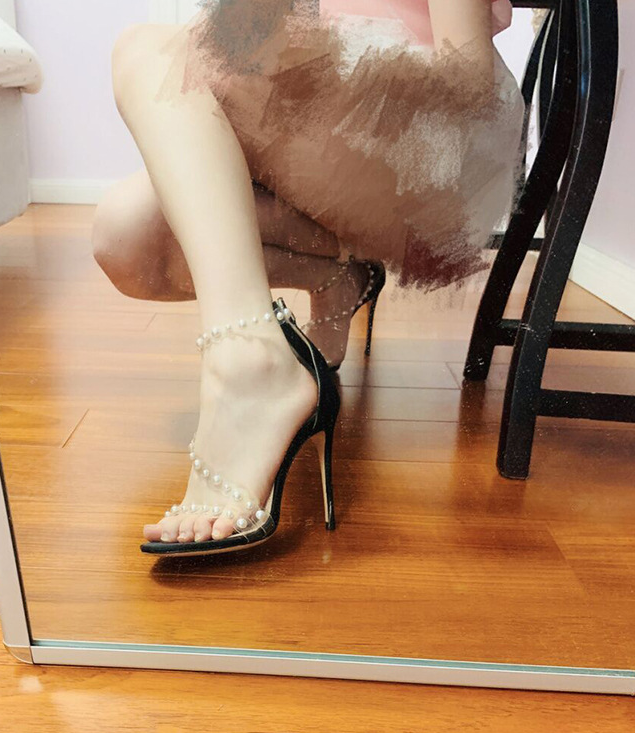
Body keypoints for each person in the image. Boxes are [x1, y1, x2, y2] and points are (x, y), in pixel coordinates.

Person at [91, 0, 524, 556]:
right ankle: (337, 274)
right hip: (315, 124)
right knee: (125, 237)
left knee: (145, 50)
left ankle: (248, 363)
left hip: (426, 133)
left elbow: (467, 85)